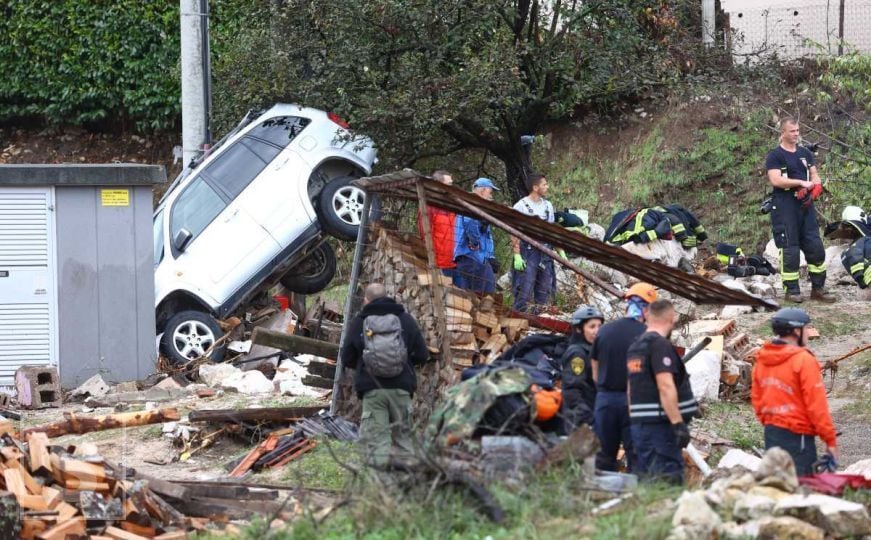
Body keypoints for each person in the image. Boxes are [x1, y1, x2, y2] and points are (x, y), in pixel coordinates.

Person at [339, 283, 430, 466]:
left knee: (376, 443)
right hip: (401, 389)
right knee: (404, 442)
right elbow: (422, 355)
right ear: (387, 296)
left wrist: (363, 365)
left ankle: (376, 488)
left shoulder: (359, 322)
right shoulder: (405, 319)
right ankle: (405, 486)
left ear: (366, 300)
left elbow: (346, 357)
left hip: (373, 391)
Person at [751, 307, 837, 476]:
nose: (809, 333)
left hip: (772, 432)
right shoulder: (804, 360)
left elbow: (757, 398)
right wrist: (830, 440)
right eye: (807, 328)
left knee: (777, 483)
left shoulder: (762, 358)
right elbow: (817, 406)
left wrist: (770, 421)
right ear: (796, 331)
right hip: (799, 437)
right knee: (800, 486)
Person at [627, 299, 699, 484]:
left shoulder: (635, 346)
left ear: (647, 316)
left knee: (646, 478)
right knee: (668, 479)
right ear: (672, 318)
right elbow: (665, 385)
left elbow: (630, 388)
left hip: (640, 426)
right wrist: (677, 423)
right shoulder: (659, 345)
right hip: (660, 426)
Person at [765, 118, 835, 304]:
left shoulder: (805, 153)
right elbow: (776, 180)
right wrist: (800, 183)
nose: (796, 134)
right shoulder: (775, 156)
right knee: (790, 249)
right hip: (784, 205)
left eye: (797, 130)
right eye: (792, 131)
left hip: (806, 205)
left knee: (815, 247)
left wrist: (815, 188)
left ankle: (818, 289)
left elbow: (814, 175)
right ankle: (792, 290)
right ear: (783, 133)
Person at [590, 282, 658, 472]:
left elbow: (594, 367)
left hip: (605, 400)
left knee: (603, 458)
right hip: (635, 403)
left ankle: (603, 496)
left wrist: (603, 390)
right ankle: (636, 499)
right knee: (638, 457)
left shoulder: (604, 331)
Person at [511, 173, 557, 313]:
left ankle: (539, 321)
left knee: (544, 289)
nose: (547, 187)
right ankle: (517, 318)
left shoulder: (548, 205)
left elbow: (553, 230)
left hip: (545, 252)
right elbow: (513, 231)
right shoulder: (521, 206)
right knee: (524, 288)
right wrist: (517, 254)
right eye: (544, 184)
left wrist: (560, 251)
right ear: (535, 187)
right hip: (528, 251)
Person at [559, 305, 604, 434]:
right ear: (579, 329)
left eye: (599, 326)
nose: (597, 331)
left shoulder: (593, 350)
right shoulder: (577, 353)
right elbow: (572, 388)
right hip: (581, 419)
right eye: (592, 326)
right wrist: (586, 417)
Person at [453, 178, 500, 294]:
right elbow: (470, 222)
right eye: (490, 191)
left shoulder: (473, 203)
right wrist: (475, 242)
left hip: (472, 257)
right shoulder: (472, 203)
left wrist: (490, 256)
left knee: (471, 295)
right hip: (472, 256)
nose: (491, 194)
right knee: (486, 293)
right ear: (483, 190)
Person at [417, 170, 456, 278]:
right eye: (449, 184)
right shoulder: (429, 206)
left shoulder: (453, 205)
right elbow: (424, 234)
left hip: (456, 261)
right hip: (440, 263)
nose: (451, 187)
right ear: (438, 185)